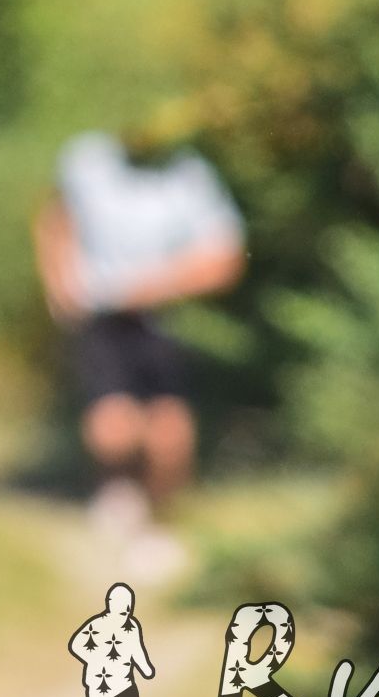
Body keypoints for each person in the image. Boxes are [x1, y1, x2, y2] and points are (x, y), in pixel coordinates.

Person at [33, 129, 248, 562]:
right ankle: (120, 494)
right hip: (102, 315)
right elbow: (56, 219)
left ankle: (158, 522)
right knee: (113, 428)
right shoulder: (87, 159)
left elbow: (225, 257)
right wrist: (60, 287)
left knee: (170, 431)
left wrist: (156, 285)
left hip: (164, 316)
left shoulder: (191, 173)